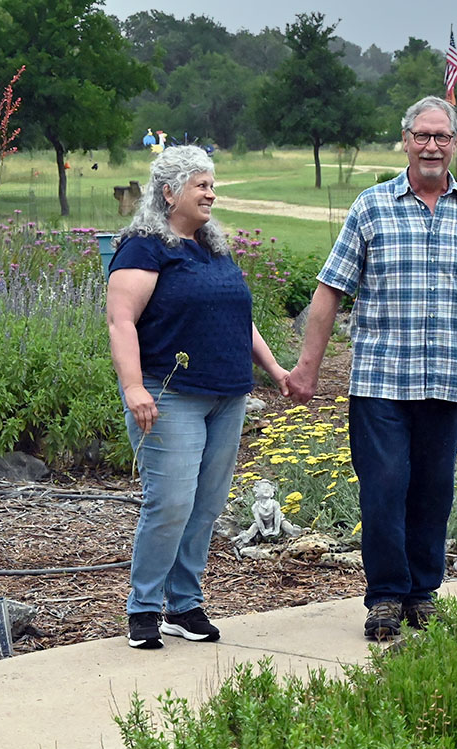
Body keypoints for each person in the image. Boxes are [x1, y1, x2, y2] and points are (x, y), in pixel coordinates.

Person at [286, 96, 457, 641]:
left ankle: (422, 593)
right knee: (385, 488)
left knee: (434, 490)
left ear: (456, 143)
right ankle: (386, 596)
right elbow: (329, 290)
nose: (432, 146)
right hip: (380, 383)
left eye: (443, 136)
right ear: (406, 140)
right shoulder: (371, 207)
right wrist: (307, 369)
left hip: (446, 381)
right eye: (422, 136)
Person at [107, 145, 290, 649]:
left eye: (212, 183)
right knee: (170, 503)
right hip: (171, 395)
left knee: (206, 506)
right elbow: (121, 321)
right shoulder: (144, 247)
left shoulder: (212, 246)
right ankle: (144, 608)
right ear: (169, 192)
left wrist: (274, 369)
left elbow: (237, 318)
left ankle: (183, 605)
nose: (211, 192)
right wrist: (134, 387)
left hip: (227, 395)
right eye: (201, 184)